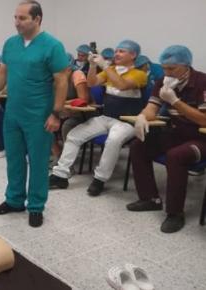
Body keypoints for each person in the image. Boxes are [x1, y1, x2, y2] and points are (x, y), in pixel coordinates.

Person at [0, 0, 69, 227]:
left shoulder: (52, 45)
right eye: (15, 17)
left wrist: (56, 114)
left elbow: (62, 81)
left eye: (22, 18)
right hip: (13, 112)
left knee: (39, 162)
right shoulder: (11, 44)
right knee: (14, 159)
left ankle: (36, 206)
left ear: (37, 19)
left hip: (39, 114)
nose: (17, 22)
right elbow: (3, 71)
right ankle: (14, 200)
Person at [50, 40, 147, 196]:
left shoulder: (139, 74)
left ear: (133, 55)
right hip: (106, 117)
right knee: (74, 135)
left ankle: (100, 179)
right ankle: (60, 174)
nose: (117, 54)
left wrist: (106, 66)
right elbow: (91, 82)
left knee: (113, 140)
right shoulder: (111, 70)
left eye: (122, 51)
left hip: (127, 121)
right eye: (117, 50)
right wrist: (94, 66)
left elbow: (122, 85)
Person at [126, 45, 206, 233]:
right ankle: (149, 199)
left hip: (201, 137)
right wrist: (143, 117)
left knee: (175, 155)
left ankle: (175, 213)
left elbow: (203, 119)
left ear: (186, 66)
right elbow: (152, 108)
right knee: (138, 145)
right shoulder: (163, 81)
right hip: (176, 133)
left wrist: (175, 101)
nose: (167, 73)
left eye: (172, 69)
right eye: (164, 68)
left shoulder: (202, 82)